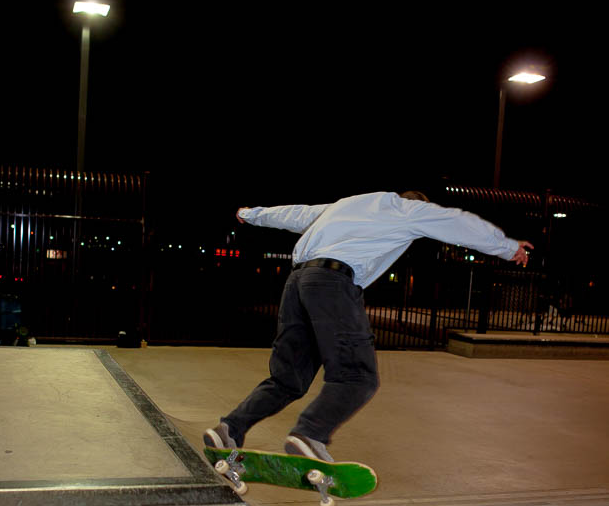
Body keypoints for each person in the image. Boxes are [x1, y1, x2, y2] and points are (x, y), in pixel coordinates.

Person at [203, 191, 533, 462]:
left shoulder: (346, 205)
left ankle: (229, 429)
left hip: (297, 282)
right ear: (417, 203)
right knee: (357, 375)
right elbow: (456, 222)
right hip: (332, 282)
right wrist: (507, 248)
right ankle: (310, 433)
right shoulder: (408, 209)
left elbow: (296, 214)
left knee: (287, 378)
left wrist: (251, 213)